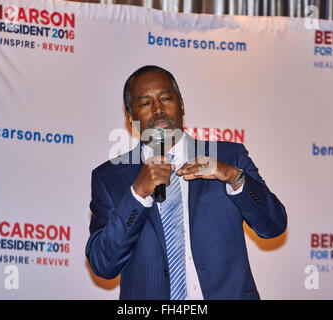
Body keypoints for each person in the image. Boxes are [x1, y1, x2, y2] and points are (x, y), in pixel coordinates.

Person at [85, 65, 287, 300]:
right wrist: (137, 195)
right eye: (145, 103)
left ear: (181, 104)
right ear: (131, 117)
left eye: (166, 98)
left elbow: (274, 226)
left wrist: (233, 176)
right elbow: (103, 264)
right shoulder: (109, 177)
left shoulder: (229, 157)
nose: (159, 109)